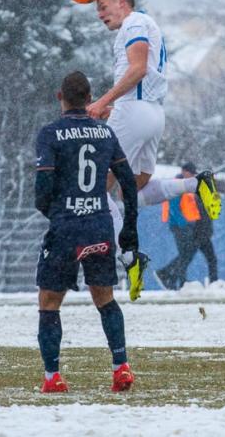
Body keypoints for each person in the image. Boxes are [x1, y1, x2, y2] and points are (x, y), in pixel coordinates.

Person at [90, 0, 221, 296]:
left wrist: (102, 102)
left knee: (96, 191)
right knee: (130, 189)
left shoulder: (134, 21)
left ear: (123, 3)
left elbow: (137, 69)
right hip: (153, 113)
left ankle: (130, 257)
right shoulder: (145, 24)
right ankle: (196, 184)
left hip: (134, 110)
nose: (100, 14)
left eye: (104, 6)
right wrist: (113, 108)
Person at [34, 71, 141, 393]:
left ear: (60, 97)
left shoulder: (50, 133)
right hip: (99, 225)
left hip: (67, 227)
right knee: (105, 297)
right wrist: (130, 230)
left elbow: (43, 188)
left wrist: (56, 213)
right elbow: (128, 184)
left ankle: (53, 377)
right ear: (89, 97)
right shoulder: (105, 133)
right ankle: (120, 366)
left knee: (49, 301)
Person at [156, 163, 218, 289]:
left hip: (195, 229)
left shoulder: (190, 187)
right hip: (187, 228)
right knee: (186, 256)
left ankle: (171, 278)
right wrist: (184, 225)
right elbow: (175, 208)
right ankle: (174, 279)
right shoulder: (178, 185)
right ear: (184, 171)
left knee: (186, 256)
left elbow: (199, 211)